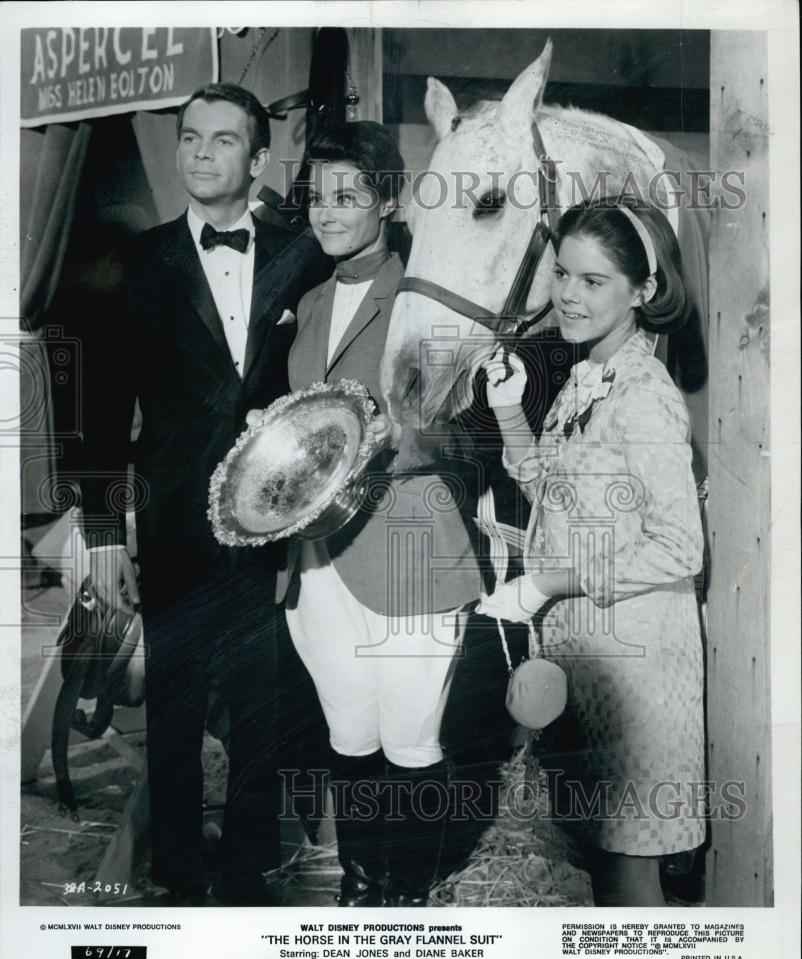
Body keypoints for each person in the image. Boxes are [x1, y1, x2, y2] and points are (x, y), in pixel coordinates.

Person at [80, 82, 326, 904]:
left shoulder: (304, 254)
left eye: (223, 140)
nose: (200, 154)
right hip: (172, 519)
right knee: (176, 700)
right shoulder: (136, 260)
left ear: (258, 160)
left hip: (276, 520)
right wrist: (105, 537)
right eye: (190, 137)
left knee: (263, 702)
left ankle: (252, 868)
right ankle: (178, 871)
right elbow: (102, 407)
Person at [268, 121, 483, 907]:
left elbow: (469, 432)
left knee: (411, 738)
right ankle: (361, 885)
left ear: (389, 202)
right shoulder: (308, 302)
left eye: (346, 195)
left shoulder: (426, 298)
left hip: (409, 542)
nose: (325, 212)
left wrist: (401, 435)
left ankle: (408, 892)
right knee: (348, 732)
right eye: (316, 196)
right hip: (318, 558)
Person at [478, 198, 705, 906]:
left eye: (594, 281)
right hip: (585, 654)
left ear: (643, 291)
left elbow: (680, 548)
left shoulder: (645, 394)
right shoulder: (587, 377)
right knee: (598, 866)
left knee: (628, 869)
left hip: (636, 665)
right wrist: (511, 412)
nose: (569, 295)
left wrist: (546, 582)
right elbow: (553, 495)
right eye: (562, 273)